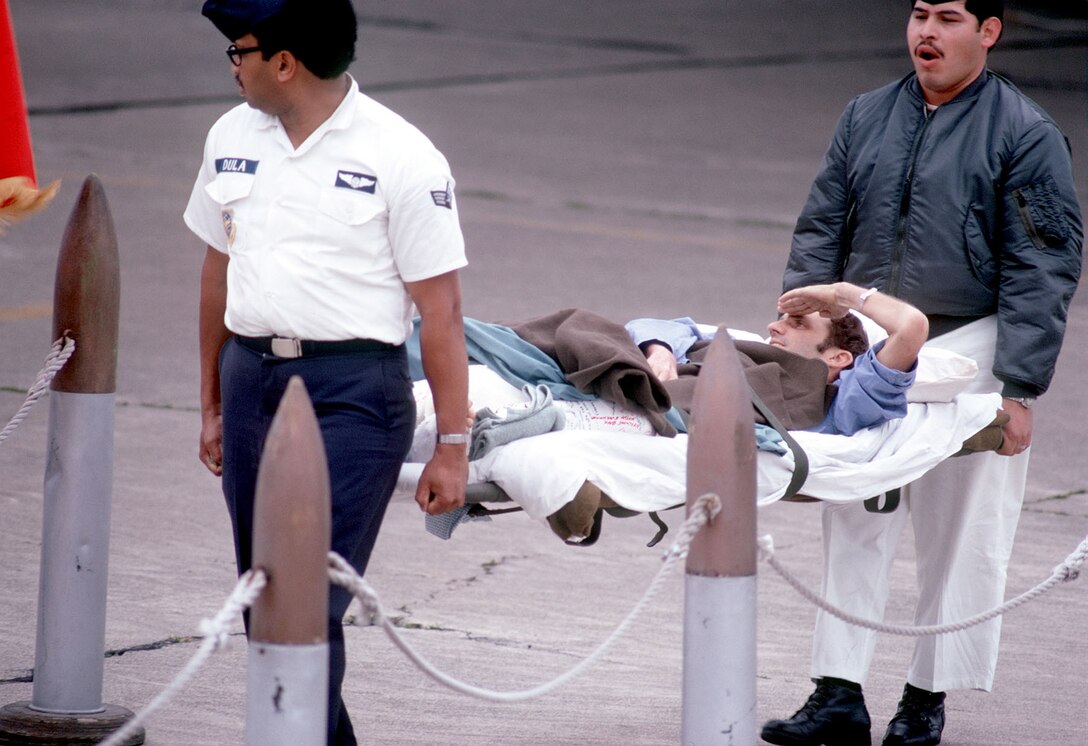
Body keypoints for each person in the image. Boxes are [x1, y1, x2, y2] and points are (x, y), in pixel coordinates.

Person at [762, 2, 1083, 745]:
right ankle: (837, 693)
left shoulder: (1027, 133)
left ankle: (924, 702)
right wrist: (801, 346)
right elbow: (821, 228)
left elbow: (1043, 267)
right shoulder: (865, 115)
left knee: (964, 531)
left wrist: (1021, 390)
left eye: (948, 17)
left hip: (977, 346)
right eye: (917, 14)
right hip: (874, 346)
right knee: (855, 512)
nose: (925, 32)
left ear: (990, 32)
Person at [184, 1, 470, 743]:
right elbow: (217, 276)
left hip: (353, 395)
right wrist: (212, 402)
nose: (233, 66)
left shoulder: (402, 155)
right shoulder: (230, 135)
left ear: (285, 62)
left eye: (239, 51)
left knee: (303, 604)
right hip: (252, 382)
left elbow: (440, 312)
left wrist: (454, 445)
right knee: (265, 606)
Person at [627, 281, 929, 436]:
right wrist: (659, 349)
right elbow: (653, 327)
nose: (774, 326)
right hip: (644, 383)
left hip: (661, 407)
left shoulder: (846, 402)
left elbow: (911, 327)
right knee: (586, 327)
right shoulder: (749, 345)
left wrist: (841, 294)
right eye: (781, 319)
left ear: (838, 357)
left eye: (798, 323)